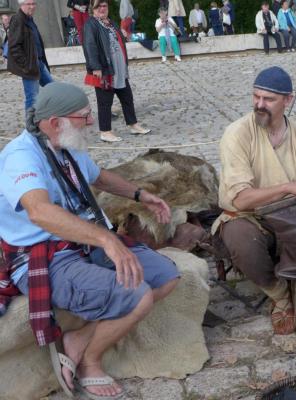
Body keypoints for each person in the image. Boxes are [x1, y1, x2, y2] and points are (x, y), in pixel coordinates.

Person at [0, 81, 180, 399]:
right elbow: (39, 211)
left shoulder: (64, 143)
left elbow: (97, 176)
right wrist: (107, 241)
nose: (92, 121)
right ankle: (90, 362)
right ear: (55, 122)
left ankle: (78, 340)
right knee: (138, 295)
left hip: (83, 243)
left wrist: (141, 194)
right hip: (42, 255)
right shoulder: (21, 157)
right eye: (84, 115)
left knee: (166, 277)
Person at [213, 66, 296, 335]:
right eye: (256, 97)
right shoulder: (237, 133)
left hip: (290, 216)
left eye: (268, 99)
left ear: (288, 100)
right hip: (247, 217)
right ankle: (280, 294)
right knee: (241, 238)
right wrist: (288, 186)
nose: (259, 105)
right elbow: (240, 200)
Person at [83, 0, 150, 143]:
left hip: (119, 69)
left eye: (104, 6)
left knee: (127, 98)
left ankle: (133, 125)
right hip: (105, 69)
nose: (102, 8)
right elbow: (90, 46)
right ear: (93, 9)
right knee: (105, 102)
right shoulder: (91, 24)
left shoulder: (111, 23)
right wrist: (96, 67)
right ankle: (105, 132)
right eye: (99, 6)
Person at [7, 0, 53, 112]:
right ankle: (31, 127)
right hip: (30, 66)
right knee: (32, 98)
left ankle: (48, 116)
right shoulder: (18, 19)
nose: (32, 7)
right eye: (29, 4)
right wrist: (26, 65)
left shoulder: (29, 19)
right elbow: (14, 47)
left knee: (53, 89)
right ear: (21, 5)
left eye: (34, 4)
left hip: (39, 63)